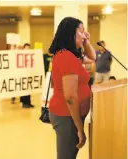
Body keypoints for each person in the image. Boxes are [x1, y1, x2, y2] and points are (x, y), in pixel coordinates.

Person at [48, 17, 96, 159]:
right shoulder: (67, 57)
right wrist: (80, 128)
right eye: (81, 31)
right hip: (66, 116)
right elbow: (70, 97)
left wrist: (86, 41)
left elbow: (93, 57)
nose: (85, 34)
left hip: (69, 116)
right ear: (70, 33)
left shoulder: (69, 55)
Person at [20, 43, 34, 108]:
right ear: (24, 48)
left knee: (29, 89)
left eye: (29, 47)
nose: (28, 49)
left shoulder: (30, 55)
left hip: (29, 74)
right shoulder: (21, 55)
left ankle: (28, 102)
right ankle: (24, 103)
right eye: (26, 47)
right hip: (23, 74)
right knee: (24, 89)